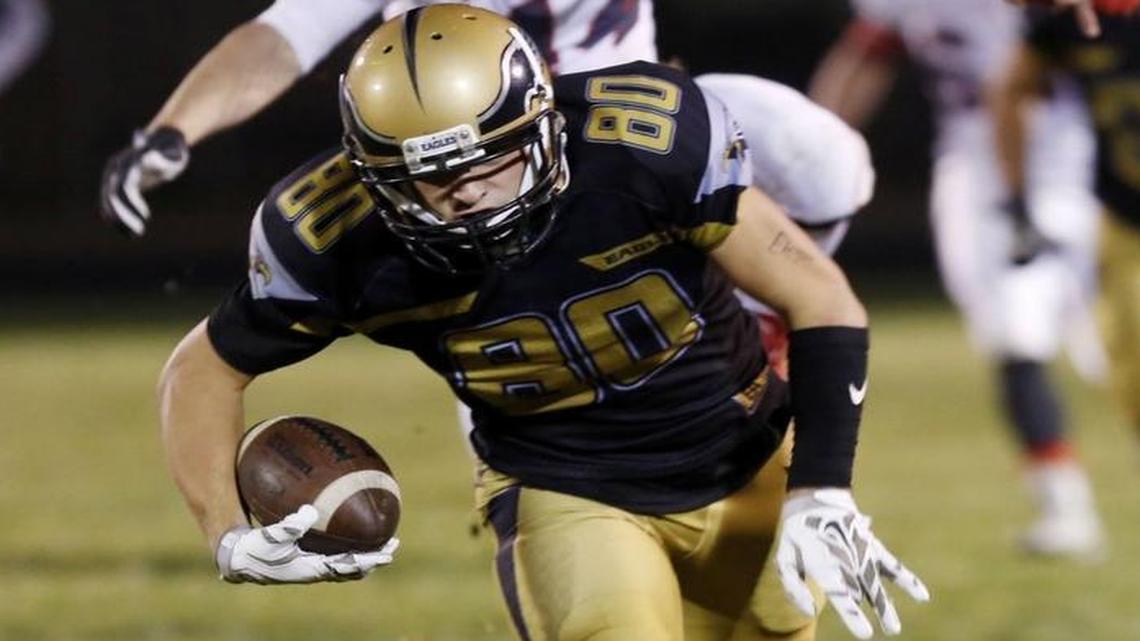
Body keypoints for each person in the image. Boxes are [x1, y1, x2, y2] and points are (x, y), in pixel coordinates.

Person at [157, 6, 928, 640]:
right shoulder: (335, 239)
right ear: (372, 173)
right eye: (429, 178)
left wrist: (823, 487)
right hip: (564, 487)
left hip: (746, 457)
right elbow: (203, 368)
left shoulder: (641, 144)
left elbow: (821, 296)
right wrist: (226, 532)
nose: (467, 196)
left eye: (489, 160)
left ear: (541, 122)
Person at [809, 0, 1107, 558]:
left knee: (1111, 348)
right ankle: (1065, 504)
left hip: (1084, 156)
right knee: (1014, 338)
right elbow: (864, 57)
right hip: (981, 167)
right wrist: (811, 149)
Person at [98, 0, 656, 237]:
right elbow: (284, 37)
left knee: (738, 110)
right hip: (478, 188)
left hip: (628, 148)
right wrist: (175, 129)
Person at [992, 7, 1140, 476]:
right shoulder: (1066, 27)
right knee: (1131, 374)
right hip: (1125, 216)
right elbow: (1009, 90)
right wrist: (1018, 198)